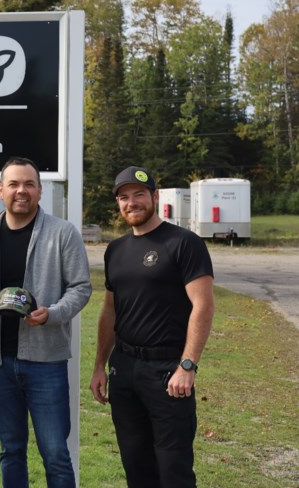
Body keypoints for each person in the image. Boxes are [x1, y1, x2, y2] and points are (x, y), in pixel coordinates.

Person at [89, 166, 215, 488]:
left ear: (155, 197)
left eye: (139, 195)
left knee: (173, 469)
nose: (132, 203)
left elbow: (203, 305)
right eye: (124, 197)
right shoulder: (115, 250)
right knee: (136, 465)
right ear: (118, 204)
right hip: (125, 370)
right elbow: (109, 310)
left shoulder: (184, 243)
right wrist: (99, 365)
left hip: (167, 372)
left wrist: (187, 365)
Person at [0, 157, 92, 488]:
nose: (21, 191)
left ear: (40, 191)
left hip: (45, 362)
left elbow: (81, 287)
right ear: (0, 190)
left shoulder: (63, 233)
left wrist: (52, 314)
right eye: (13, 184)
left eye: (29, 184)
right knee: (11, 450)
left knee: (55, 452)